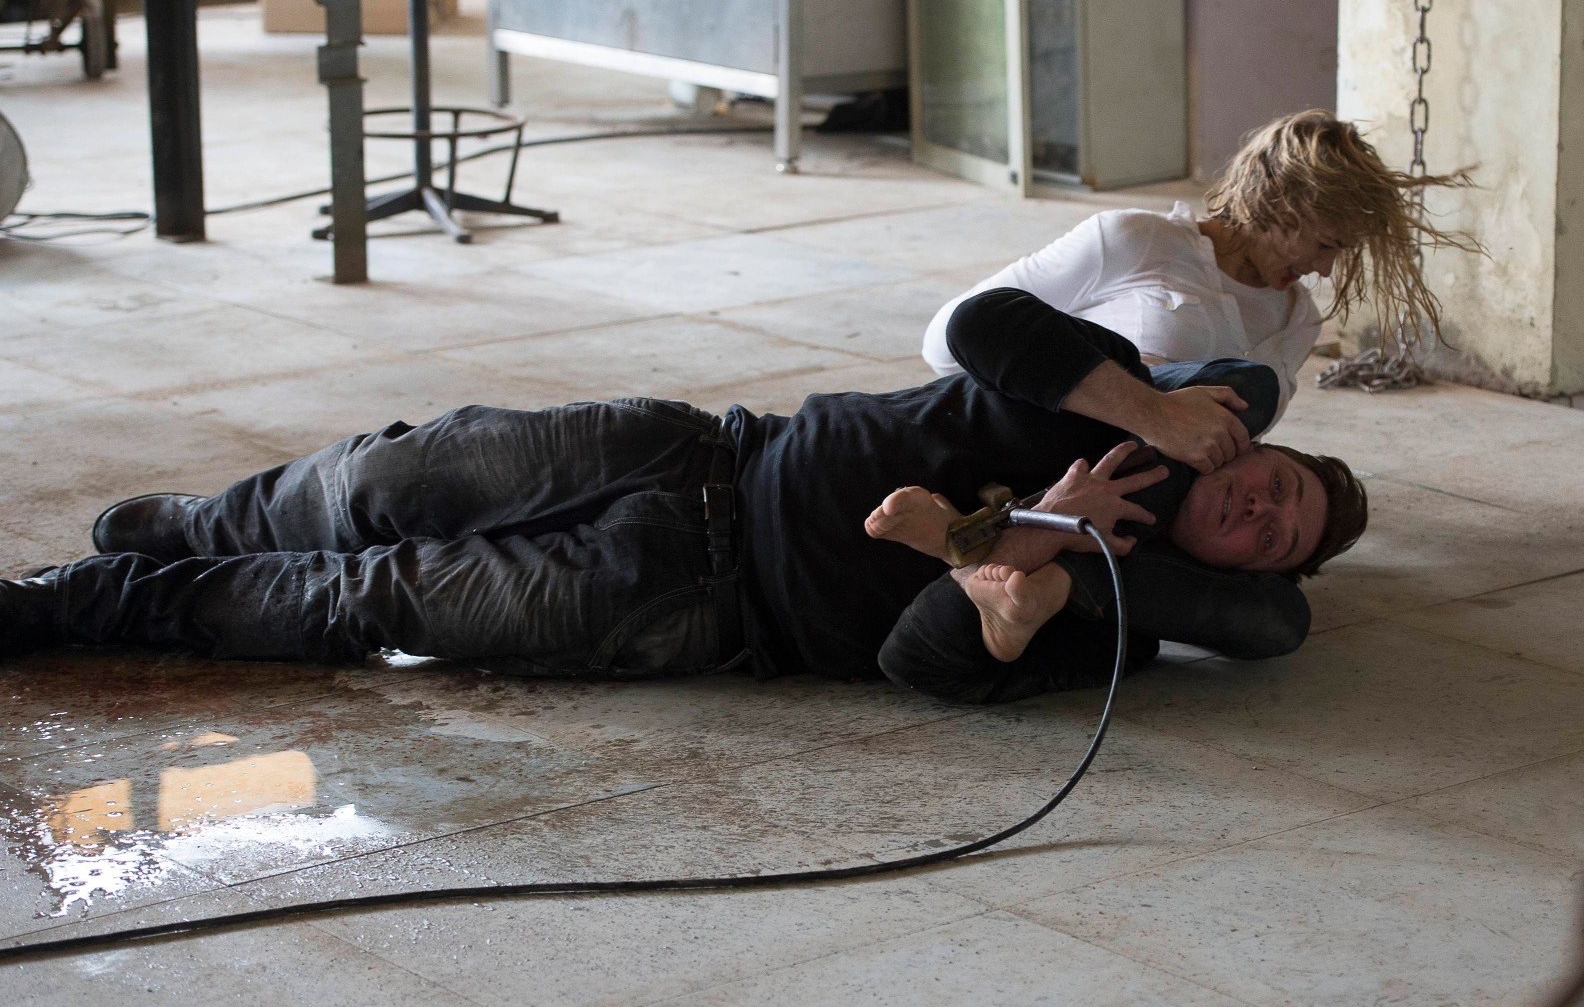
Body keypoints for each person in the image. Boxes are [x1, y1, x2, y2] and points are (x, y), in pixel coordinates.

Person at [0, 290, 1367, 704]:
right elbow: (978, 324)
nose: (1259, 512)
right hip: (697, 454)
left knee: (380, 596)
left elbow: (920, 663)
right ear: (1235, 448)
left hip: (693, 603)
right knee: (382, 476)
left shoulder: (1119, 618)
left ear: (1246, 570)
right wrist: (1151, 411)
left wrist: (1019, 570)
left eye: (1277, 537)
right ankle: (201, 525)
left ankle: (78, 604)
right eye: (1272, 485)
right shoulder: (1104, 395)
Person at [921, 109, 1474, 425]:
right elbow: (946, 341)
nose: (1326, 270)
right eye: (1325, 244)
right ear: (1282, 204)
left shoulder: (1298, 318)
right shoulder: (1135, 240)